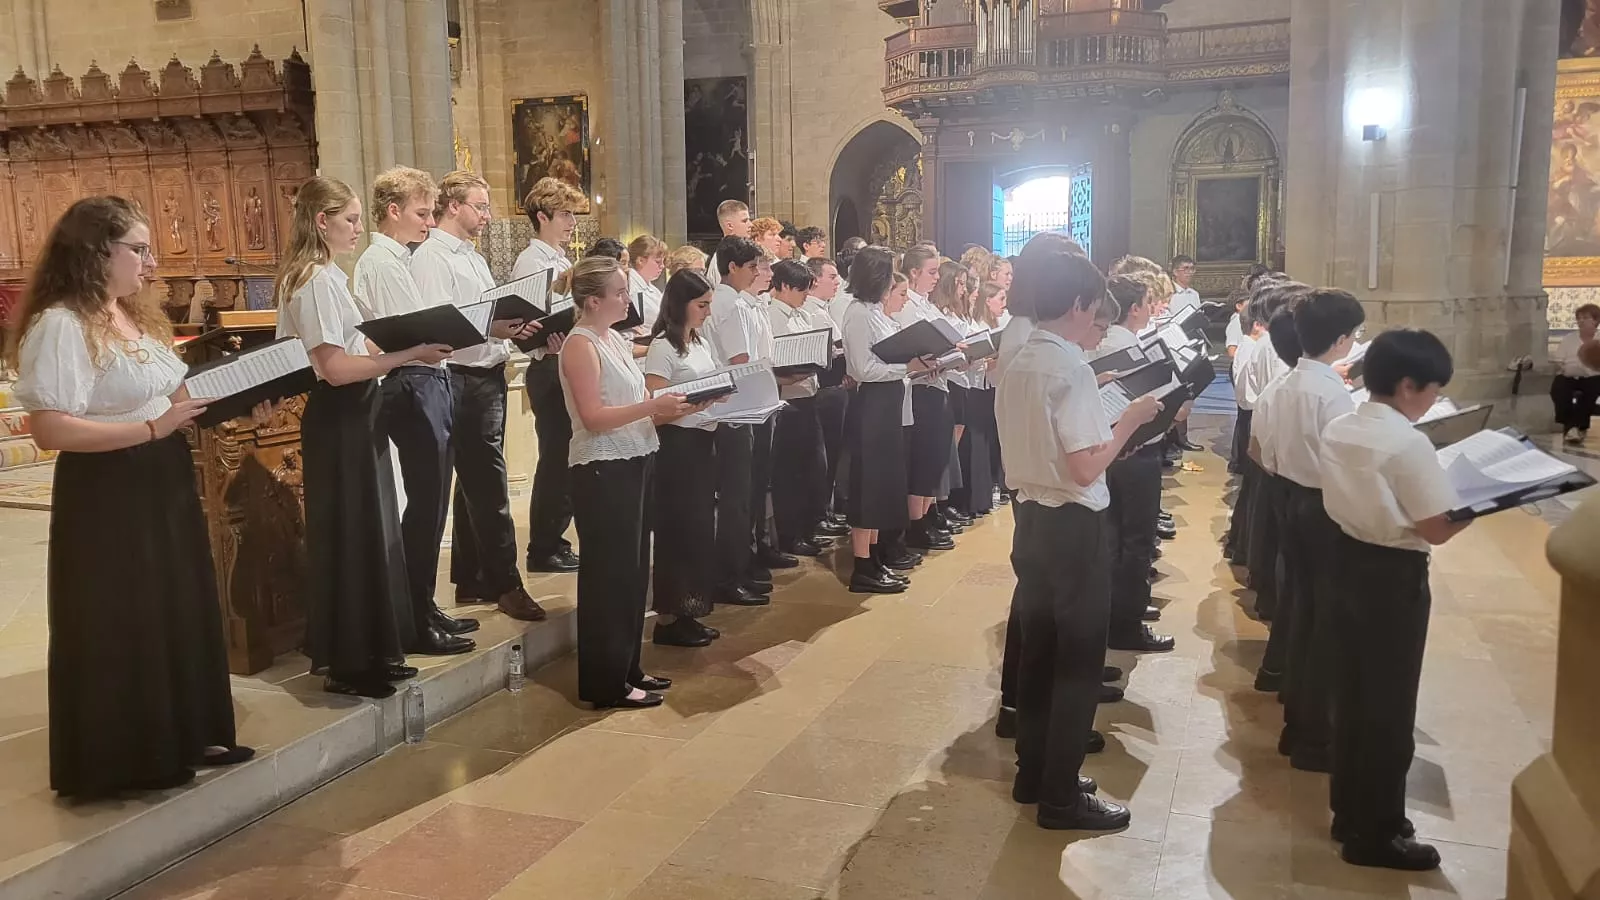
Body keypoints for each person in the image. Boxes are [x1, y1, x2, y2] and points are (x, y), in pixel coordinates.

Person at [7, 196, 258, 797]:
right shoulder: (62, 324)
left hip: (161, 473)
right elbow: (51, 429)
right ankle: (133, 754)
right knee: (125, 614)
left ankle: (188, 732)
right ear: (97, 252)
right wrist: (149, 429)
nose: (150, 262)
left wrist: (237, 399)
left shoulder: (130, 315)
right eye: (139, 249)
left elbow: (171, 396)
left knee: (174, 603)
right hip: (108, 489)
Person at [997, 247, 1161, 831]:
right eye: (1095, 310)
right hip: (1072, 526)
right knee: (1078, 664)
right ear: (1075, 305)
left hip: (1032, 523)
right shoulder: (1069, 368)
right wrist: (1131, 420)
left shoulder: (1019, 357)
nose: (1099, 322)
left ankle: (1033, 772)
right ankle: (1061, 796)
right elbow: (1087, 467)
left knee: (1039, 653)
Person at [273, 176, 453, 698]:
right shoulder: (313, 279)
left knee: (370, 531)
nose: (358, 228)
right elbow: (332, 367)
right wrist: (406, 354)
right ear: (320, 221)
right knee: (350, 534)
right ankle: (349, 661)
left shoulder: (327, 275)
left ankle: (373, 648)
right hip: (339, 412)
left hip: (355, 412)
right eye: (350, 219)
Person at [1320, 328, 1469, 872]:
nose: (1433, 400)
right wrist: (1480, 501)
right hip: (1391, 575)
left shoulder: (1343, 425)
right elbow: (1435, 527)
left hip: (1345, 558)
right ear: (1408, 385)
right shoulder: (1408, 442)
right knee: (1389, 706)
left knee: (1354, 693)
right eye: (1432, 389)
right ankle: (1376, 833)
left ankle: (1350, 810)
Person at [558, 256, 702, 709]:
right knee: (609, 577)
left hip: (636, 457)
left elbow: (641, 398)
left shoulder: (615, 339)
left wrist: (681, 405)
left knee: (635, 572)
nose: (628, 299)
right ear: (593, 300)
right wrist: (651, 410)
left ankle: (628, 667)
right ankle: (605, 681)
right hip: (602, 468)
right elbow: (594, 418)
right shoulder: (580, 345)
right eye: (620, 292)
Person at [354, 167, 483, 647]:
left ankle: (423, 605)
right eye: (422, 213)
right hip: (409, 382)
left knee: (432, 507)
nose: (429, 223)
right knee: (424, 505)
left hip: (425, 377)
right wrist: (442, 333)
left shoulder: (400, 259)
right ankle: (413, 619)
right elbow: (405, 328)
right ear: (393, 211)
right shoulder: (382, 262)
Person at [413, 172, 546, 631]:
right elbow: (438, 321)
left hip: (486, 372)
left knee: (473, 484)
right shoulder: (432, 257)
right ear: (453, 206)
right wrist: (491, 327)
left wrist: (513, 324)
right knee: (489, 487)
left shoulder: (470, 256)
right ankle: (507, 583)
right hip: (461, 377)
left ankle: (473, 578)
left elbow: (481, 311)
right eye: (480, 206)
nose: (487, 216)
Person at [1263, 288, 1366, 773]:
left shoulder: (1287, 385)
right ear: (1343, 340)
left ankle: (1296, 723)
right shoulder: (1332, 395)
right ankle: (1313, 736)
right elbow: (1343, 466)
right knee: (1325, 618)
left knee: (1301, 608)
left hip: (1288, 498)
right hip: (1323, 508)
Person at [1092, 274, 1177, 654]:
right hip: (1134, 451)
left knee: (1113, 539)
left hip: (1108, 452)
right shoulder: (1127, 348)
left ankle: (1114, 613)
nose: (1150, 307)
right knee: (1136, 540)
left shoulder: (1107, 342)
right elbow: (1153, 404)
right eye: (1146, 301)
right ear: (1133, 309)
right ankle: (1126, 622)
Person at [841, 249, 933, 591]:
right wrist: (905, 368)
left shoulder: (875, 313)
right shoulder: (858, 315)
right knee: (868, 486)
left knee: (883, 487)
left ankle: (876, 558)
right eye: (888, 274)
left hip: (888, 405)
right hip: (872, 407)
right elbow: (861, 368)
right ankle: (862, 567)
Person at [642, 270, 724, 647]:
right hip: (676, 447)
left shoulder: (699, 342)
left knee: (698, 531)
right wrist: (697, 404)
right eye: (701, 305)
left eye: (709, 304)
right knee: (678, 532)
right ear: (680, 304)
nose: (707, 312)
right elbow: (655, 409)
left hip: (702, 444)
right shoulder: (663, 346)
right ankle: (669, 619)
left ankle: (690, 611)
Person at [512, 177, 586, 574]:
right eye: (565, 214)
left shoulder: (560, 259)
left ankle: (556, 538)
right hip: (547, 365)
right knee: (555, 458)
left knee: (567, 457)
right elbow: (527, 320)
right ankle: (543, 546)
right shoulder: (532, 261)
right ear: (542, 217)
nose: (572, 221)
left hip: (565, 361)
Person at [700, 236, 772, 605]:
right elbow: (740, 359)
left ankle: (741, 569)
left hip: (739, 406)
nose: (757, 274)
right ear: (732, 267)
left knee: (742, 494)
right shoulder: (729, 303)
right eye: (751, 267)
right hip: (735, 409)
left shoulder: (734, 301)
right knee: (735, 497)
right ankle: (730, 576)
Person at [767, 259, 836, 556]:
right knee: (789, 473)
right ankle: (789, 535)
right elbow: (774, 359)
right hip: (788, 400)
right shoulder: (772, 315)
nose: (806, 295)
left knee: (812, 468)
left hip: (808, 395)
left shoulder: (801, 313)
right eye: (800, 290)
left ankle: (808, 528)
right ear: (783, 286)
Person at [805, 257, 853, 532]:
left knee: (833, 454)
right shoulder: (811, 311)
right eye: (832, 277)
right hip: (823, 388)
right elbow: (824, 351)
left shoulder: (822, 309)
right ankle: (819, 514)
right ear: (814, 280)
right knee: (823, 456)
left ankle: (826, 510)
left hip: (835, 386)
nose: (838, 282)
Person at [1551, 302, 1600, 443]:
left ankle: (1574, 428)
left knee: (1592, 389)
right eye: (1579, 318)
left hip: (1593, 376)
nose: (1581, 321)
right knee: (1559, 388)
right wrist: (1562, 369)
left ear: (1595, 320)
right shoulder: (1568, 339)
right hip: (1570, 375)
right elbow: (1559, 361)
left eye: (1585, 317)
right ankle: (1574, 426)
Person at [704, 199, 753, 286]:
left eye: (749, 220)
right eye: (744, 221)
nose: (751, 225)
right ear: (729, 225)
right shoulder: (721, 259)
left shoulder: (743, 252)